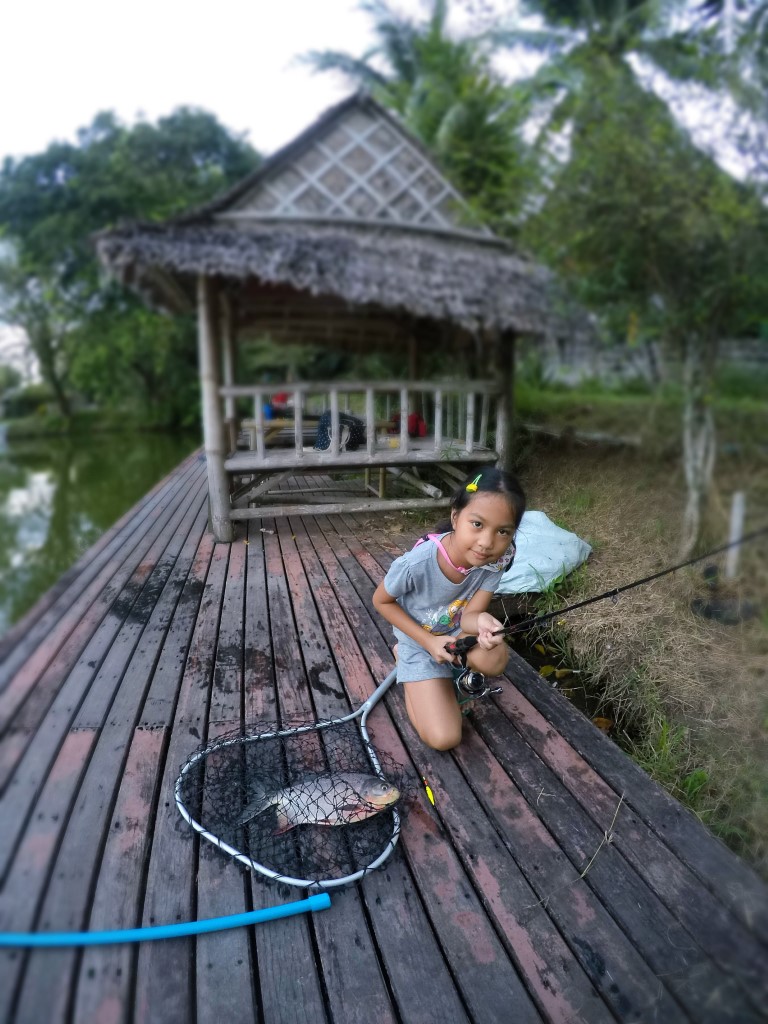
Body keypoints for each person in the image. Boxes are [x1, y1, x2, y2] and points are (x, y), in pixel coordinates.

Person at [373, 466, 526, 751]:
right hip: (419, 639)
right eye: (477, 524)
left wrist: (483, 621)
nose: (486, 543)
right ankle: (405, 664)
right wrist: (429, 642)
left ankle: (445, 677)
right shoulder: (417, 562)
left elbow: (469, 616)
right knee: (445, 739)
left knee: (495, 658)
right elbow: (381, 600)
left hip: (455, 635)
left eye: (503, 531)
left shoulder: (498, 558)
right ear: (456, 516)